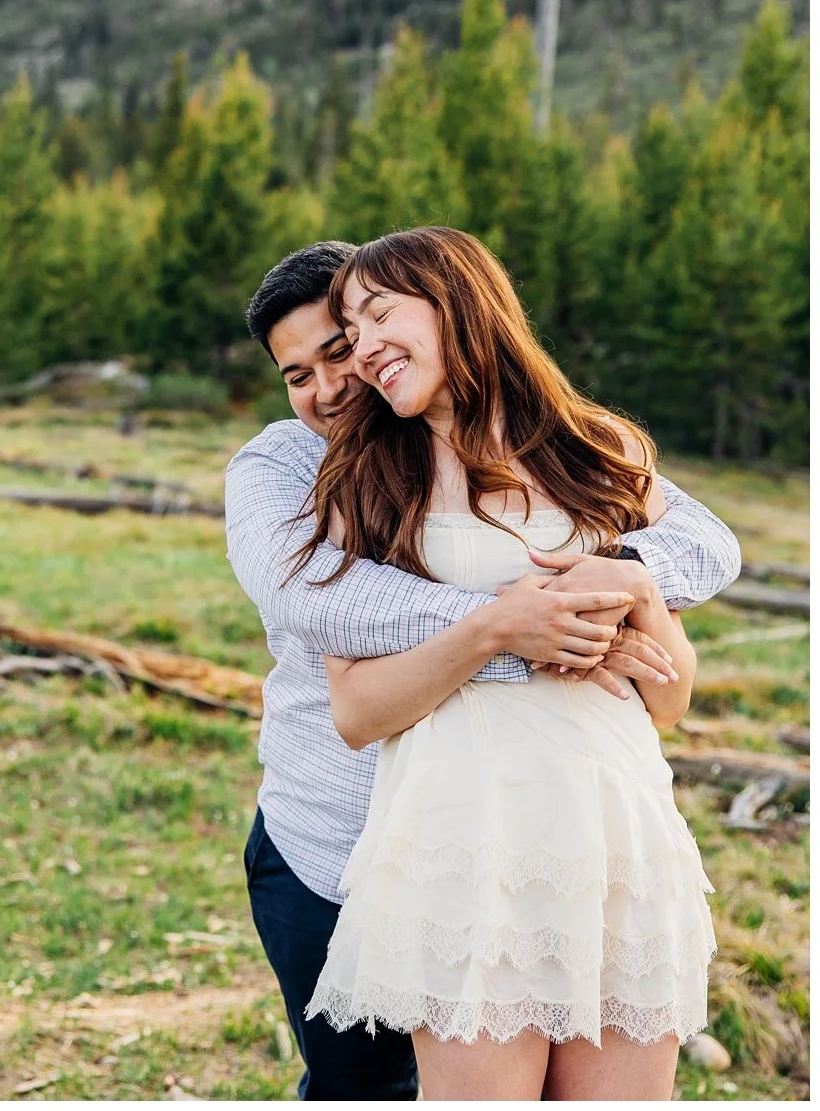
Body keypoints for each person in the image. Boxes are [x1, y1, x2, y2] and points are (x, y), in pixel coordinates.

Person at [227, 238, 738, 1100]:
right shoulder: (330, 475)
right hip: (375, 839)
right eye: (299, 372)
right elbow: (316, 609)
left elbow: (681, 630)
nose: (333, 384)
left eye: (352, 340)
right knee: (362, 1090)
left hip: (605, 832)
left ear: (450, 306)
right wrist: (516, 627)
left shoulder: (591, 448)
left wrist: (633, 586)